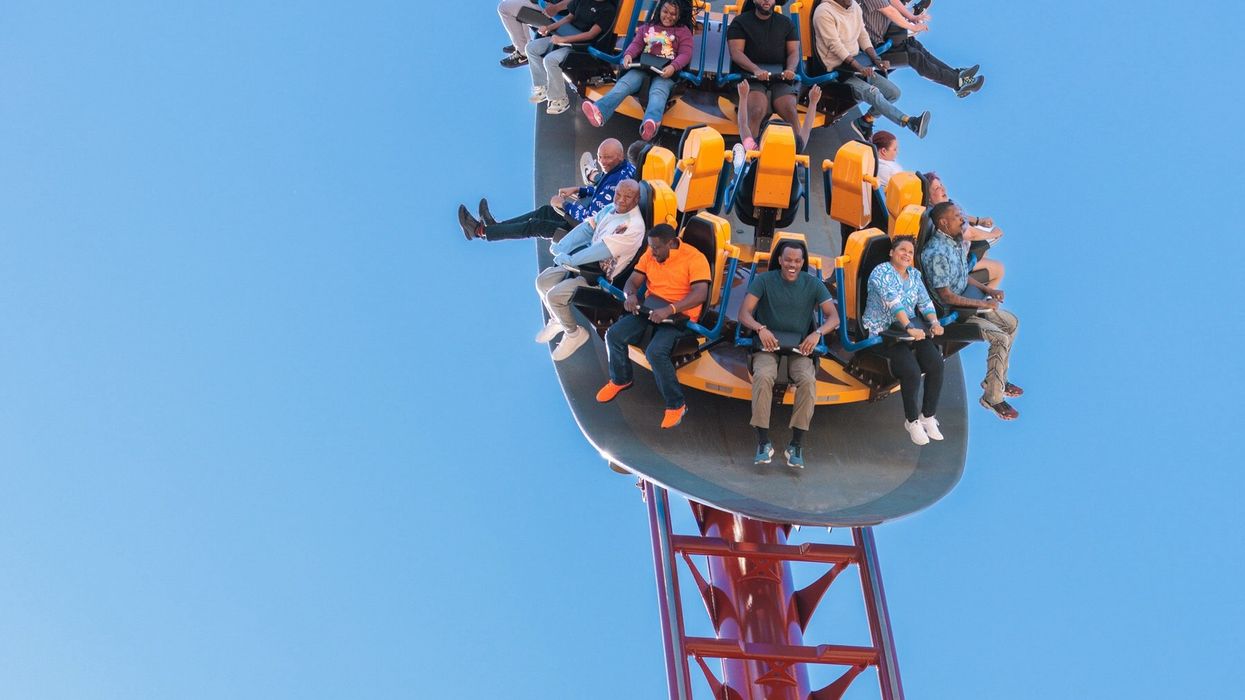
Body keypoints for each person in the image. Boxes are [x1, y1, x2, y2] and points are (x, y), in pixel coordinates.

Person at [596, 224, 711, 429]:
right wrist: (630, 295)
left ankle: (676, 405)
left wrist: (669, 309)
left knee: (655, 353)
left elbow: (700, 294)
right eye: (650, 247)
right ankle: (621, 379)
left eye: (656, 248)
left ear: (671, 243)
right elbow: (633, 280)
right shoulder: (651, 253)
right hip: (651, 308)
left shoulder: (695, 258)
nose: (652, 251)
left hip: (680, 317)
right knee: (613, 335)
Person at [737, 240, 839, 467]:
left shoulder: (813, 284)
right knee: (763, 376)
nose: (792, 265)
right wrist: (760, 329)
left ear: (803, 262)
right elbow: (744, 313)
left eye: (797, 261)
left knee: (808, 381)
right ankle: (763, 441)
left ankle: (796, 444)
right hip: (768, 345)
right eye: (788, 260)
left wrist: (817, 333)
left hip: (799, 347)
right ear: (780, 260)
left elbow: (833, 317)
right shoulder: (764, 280)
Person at [921, 201, 1022, 421]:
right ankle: (992, 398)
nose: (962, 220)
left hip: (969, 301)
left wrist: (988, 291)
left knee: (1012, 323)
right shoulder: (936, 253)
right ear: (943, 223)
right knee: (1000, 338)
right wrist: (983, 304)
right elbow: (946, 296)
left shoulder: (954, 241)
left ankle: (995, 380)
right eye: (957, 217)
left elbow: (962, 274)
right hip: (952, 315)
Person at [534, 180, 646, 360]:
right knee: (542, 282)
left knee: (554, 296)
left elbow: (602, 250)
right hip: (586, 263)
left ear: (637, 199)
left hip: (599, 276)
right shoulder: (611, 208)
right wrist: (563, 246)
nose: (621, 200)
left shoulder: (633, 226)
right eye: (618, 194)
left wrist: (570, 259)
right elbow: (588, 229)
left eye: (628, 197)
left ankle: (574, 334)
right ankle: (558, 319)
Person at [457, 138, 635, 242]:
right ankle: (494, 226)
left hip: (588, 232)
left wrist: (564, 205)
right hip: (592, 221)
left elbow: (590, 218)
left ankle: (480, 231)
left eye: (607, 158)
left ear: (620, 156)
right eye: (600, 157)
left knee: (535, 226)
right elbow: (601, 191)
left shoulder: (617, 183)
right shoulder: (621, 169)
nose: (602, 162)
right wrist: (579, 190)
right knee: (545, 211)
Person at [862, 236, 945, 445]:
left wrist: (934, 322)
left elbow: (925, 302)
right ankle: (912, 421)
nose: (906, 254)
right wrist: (909, 327)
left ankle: (928, 416)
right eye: (902, 250)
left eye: (910, 252)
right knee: (911, 371)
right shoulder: (881, 272)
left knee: (936, 363)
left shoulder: (914, 275)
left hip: (909, 329)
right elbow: (893, 303)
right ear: (892, 252)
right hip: (884, 331)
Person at [812, 0, 929, 141]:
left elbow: (862, 34)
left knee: (894, 93)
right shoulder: (824, 12)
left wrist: (876, 59)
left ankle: (864, 122)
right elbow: (835, 46)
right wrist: (859, 67)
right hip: (835, 69)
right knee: (873, 93)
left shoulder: (854, 7)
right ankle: (908, 122)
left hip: (855, 64)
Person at [581, 0, 695, 141]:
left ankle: (651, 123)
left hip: (665, 73)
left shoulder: (683, 32)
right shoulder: (648, 27)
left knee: (658, 92)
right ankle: (600, 111)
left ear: (679, 15)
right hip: (643, 67)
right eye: (665, 12)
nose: (668, 16)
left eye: (673, 14)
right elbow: (637, 44)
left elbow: (685, 54)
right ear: (659, 10)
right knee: (624, 84)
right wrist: (628, 55)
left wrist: (673, 66)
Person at [859, 0, 983, 98]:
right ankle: (957, 83)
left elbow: (893, 1)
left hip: (886, 37)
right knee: (915, 56)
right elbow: (890, 11)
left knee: (916, 46)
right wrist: (912, 26)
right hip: (876, 48)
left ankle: (958, 76)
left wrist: (912, 17)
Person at [727, 0, 801, 152]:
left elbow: (794, 52)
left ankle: (797, 154)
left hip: (779, 77)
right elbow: (736, 53)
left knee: (790, 109)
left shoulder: (786, 23)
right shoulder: (740, 22)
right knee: (756, 109)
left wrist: (790, 69)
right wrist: (755, 69)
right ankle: (750, 155)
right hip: (750, 76)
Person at [527, 0, 618, 114]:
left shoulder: (608, 10)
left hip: (580, 45)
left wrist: (563, 40)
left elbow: (591, 34)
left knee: (550, 60)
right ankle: (542, 86)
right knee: (531, 48)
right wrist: (549, 28)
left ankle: (560, 99)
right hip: (565, 35)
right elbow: (568, 18)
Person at [924, 171, 1005, 286]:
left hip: (957, 252)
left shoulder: (939, 209)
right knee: (999, 269)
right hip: (953, 266)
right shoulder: (941, 217)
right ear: (929, 198)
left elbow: (961, 217)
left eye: (941, 185)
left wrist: (978, 221)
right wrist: (994, 234)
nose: (943, 189)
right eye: (937, 188)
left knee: (984, 251)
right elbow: (970, 234)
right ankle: (978, 295)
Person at [498, 0, 571, 68]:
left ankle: (523, 53)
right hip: (546, 3)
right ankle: (521, 42)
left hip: (554, 9)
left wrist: (557, 7)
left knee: (504, 8)